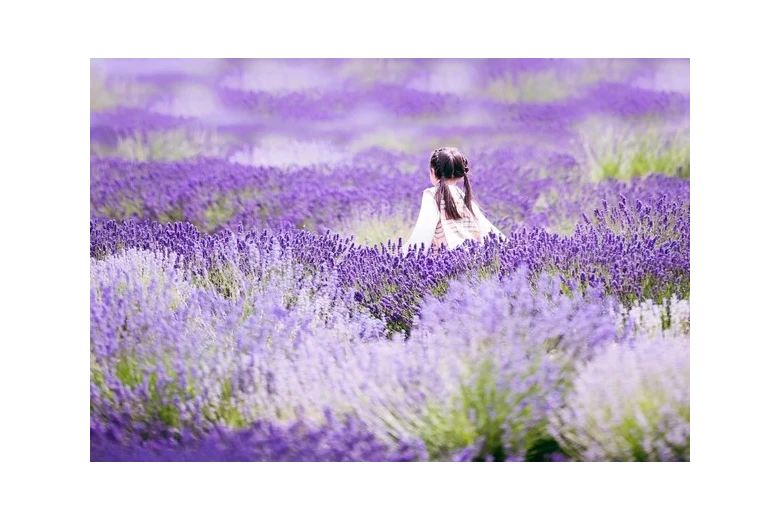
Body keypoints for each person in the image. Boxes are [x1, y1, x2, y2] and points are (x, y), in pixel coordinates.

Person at [402, 147, 504, 255]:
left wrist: (401, 257)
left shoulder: (432, 195)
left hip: (446, 263)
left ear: (432, 171)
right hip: (473, 258)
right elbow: (486, 228)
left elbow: (422, 234)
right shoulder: (462, 195)